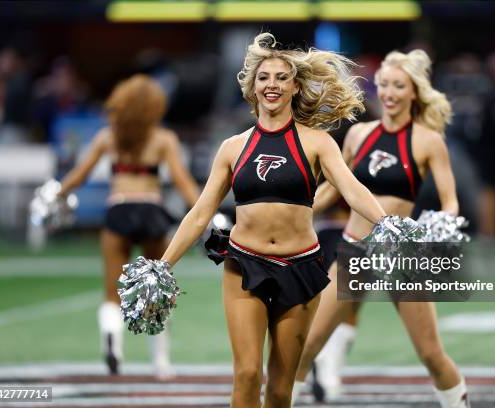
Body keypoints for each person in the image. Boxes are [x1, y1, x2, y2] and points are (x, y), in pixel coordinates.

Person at [157, 33, 388, 408]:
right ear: (252, 86)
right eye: (264, 77)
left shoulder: (317, 141)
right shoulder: (233, 147)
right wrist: (163, 265)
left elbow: (351, 188)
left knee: (281, 388)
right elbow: (200, 211)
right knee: (248, 374)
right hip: (245, 265)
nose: (272, 85)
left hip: (301, 268)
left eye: (282, 78)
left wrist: (387, 223)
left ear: (295, 86)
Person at [293, 49, 470, 408]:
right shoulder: (359, 134)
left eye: (398, 86)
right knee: (306, 345)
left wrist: (443, 225)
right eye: (384, 84)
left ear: (414, 92)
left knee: (431, 355)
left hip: (401, 255)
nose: (389, 93)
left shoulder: (428, 141)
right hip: (356, 249)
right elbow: (334, 186)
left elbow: (451, 201)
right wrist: (300, 209)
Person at [58, 74, 200, 377]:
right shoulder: (163, 139)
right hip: (151, 210)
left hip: (118, 209)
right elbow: (182, 182)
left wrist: (57, 194)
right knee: (158, 289)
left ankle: (113, 342)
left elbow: (78, 175)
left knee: (112, 293)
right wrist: (205, 211)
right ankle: (160, 363)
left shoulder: (107, 137)